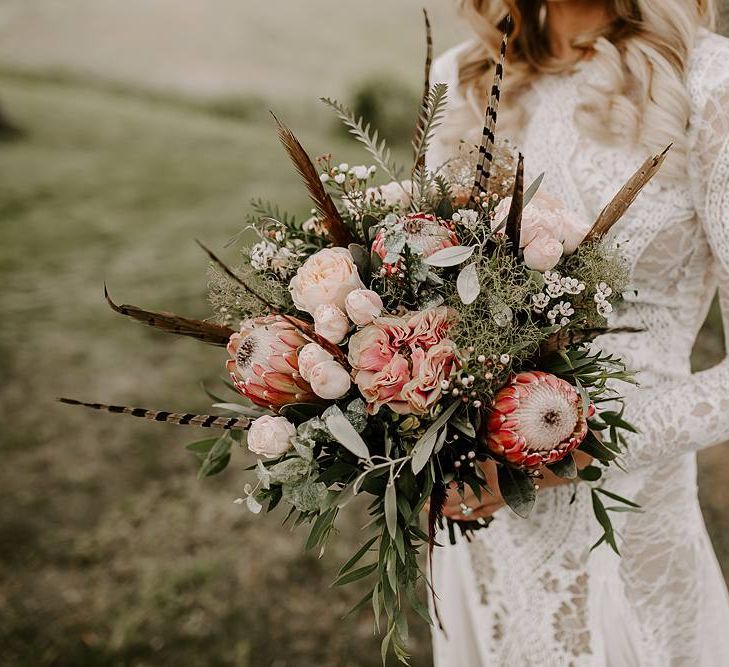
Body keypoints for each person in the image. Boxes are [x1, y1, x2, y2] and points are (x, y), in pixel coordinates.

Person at [426, 1, 729, 664]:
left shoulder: (709, 84)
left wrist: (577, 442)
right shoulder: (463, 76)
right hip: (477, 524)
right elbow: (431, 295)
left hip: (626, 523)